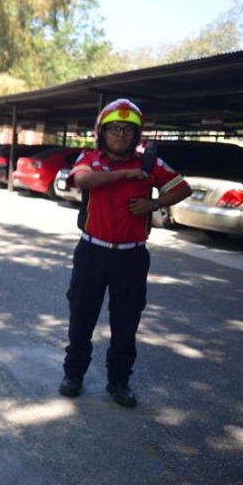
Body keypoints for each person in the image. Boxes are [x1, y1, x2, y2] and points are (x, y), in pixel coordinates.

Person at [59, 98, 191, 408]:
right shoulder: (90, 158)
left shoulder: (150, 165)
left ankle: (119, 382)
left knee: (126, 321)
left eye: (128, 129)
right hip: (92, 252)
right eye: (114, 128)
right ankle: (73, 374)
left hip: (131, 257)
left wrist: (155, 204)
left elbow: (183, 188)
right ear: (101, 132)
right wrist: (124, 175)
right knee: (82, 316)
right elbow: (82, 179)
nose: (121, 134)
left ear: (137, 134)